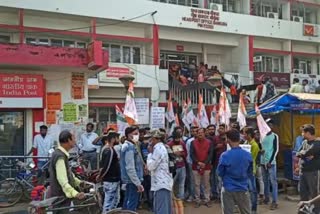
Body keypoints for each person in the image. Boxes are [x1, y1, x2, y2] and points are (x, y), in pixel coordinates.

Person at [49, 130, 86, 214]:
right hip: (61, 198)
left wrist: (79, 182)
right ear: (68, 140)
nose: (75, 141)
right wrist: (75, 193)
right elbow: (62, 179)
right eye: (73, 139)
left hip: (62, 197)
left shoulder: (61, 154)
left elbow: (68, 174)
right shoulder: (60, 156)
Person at [218, 129, 253, 214]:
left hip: (228, 188)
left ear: (228, 140)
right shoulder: (248, 155)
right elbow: (250, 172)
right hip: (243, 187)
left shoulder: (225, 155)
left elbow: (220, 172)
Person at [147, 130, 173, 214]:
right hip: (163, 182)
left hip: (160, 183)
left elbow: (151, 166)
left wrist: (150, 154)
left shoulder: (158, 149)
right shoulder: (162, 147)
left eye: (150, 139)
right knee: (164, 208)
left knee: (161, 209)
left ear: (155, 139)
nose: (149, 141)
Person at [120, 126, 144, 211]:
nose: (137, 136)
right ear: (128, 135)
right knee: (131, 204)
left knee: (128, 201)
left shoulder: (132, 145)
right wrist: (137, 183)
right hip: (132, 180)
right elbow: (130, 167)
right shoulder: (129, 147)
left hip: (131, 180)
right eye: (135, 134)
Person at [96, 131, 121, 213]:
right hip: (110, 180)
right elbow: (106, 166)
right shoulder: (108, 150)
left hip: (113, 180)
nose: (119, 140)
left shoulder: (109, 149)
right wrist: (101, 176)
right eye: (117, 138)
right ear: (113, 139)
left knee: (115, 200)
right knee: (108, 203)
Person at [296, 124, 320, 203]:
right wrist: (303, 154)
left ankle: (316, 211)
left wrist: (303, 153)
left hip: (312, 172)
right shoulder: (304, 142)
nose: (302, 134)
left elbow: (305, 153)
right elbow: (298, 153)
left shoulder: (317, 143)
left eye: (303, 132)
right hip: (303, 172)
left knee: (314, 193)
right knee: (303, 193)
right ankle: (303, 210)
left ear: (308, 133)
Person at [190, 128, 214, 208]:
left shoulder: (209, 142)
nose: (200, 134)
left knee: (206, 184)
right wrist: (198, 162)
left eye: (201, 132)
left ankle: (207, 200)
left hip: (206, 166)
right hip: (196, 166)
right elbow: (192, 154)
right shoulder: (193, 143)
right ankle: (197, 200)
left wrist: (205, 163)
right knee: (197, 184)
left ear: (204, 133)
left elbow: (210, 154)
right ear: (196, 134)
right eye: (198, 133)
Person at [260, 119, 279, 210]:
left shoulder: (275, 136)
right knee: (265, 181)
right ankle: (266, 198)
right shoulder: (262, 136)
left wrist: (270, 162)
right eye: (267, 125)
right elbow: (261, 148)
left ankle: (275, 201)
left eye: (270, 125)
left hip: (271, 163)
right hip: (263, 162)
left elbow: (276, 150)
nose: (269, 127)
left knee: (273, 182)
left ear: (272, 127)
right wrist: (261, 152)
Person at [243, 127, 260, 214]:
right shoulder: (246, 143)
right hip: (244, 169)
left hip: (250, 170)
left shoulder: (254, 145)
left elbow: (251, 158)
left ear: (249, 135)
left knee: (252, 190)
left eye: (244, 134)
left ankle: (254, 209)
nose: (243, 135)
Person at [167, 133, 188, 200]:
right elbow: (167, 155)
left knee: (181, 183)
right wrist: (173, 154)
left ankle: (181, 199)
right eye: (176, 138)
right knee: (172, 184)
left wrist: (181, 153)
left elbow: (186, 153)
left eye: (178, 138)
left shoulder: (182, 143)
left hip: (182, 165)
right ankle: (171, 198)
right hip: (173, 167)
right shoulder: (169, 144)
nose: (177, 140)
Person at [211, 124, 227, 200]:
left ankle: (225, 195)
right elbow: (211, 150)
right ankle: (218, 195)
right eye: (219, 128)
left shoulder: (228, 138)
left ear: (225, 130)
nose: (220, 130)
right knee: (218, 179)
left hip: (227, 163)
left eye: (222, 128)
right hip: (217, 162)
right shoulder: (215, 138)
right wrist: (216, 147)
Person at [185, 126, 198, 202]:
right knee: (192, 180)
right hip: (191, 163)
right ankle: (192, 195)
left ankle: (199, 195)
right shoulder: (189, 141)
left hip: (201, 163)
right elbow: (187, 152)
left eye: (196, 131)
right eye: (193, 131)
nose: (195, 133)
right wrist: (188, 162)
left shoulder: (203, 140)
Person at [254, 129, 264, 203]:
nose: (257, 136)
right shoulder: (251, 143)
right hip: (253, 164)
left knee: (260, 180)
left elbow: (262, 152)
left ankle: (261, 194)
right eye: (256, 134)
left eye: (258, 134)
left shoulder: (260, 143)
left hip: (258, 164)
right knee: (255, 180)